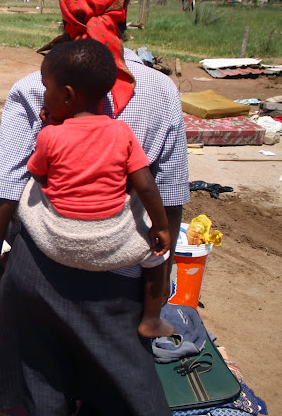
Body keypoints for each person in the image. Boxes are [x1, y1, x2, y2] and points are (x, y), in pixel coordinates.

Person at [0, 0, 189, 415]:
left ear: (64, 19)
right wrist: (157, 272)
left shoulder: (37, 87)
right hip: (120, 273)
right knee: (119, 392)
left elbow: (1, 192)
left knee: (37, 387)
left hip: (39, 268)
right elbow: (169, 198)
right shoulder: (162, 91)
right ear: (124, 18)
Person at [23, 38, 175, 339]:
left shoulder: (50, 136)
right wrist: (161, 227)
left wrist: (49, 130)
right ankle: (151, 320)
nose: (43, 94)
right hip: (114, 244)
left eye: (46, 87)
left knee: (27, 189)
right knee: (158, 255)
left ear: (67, 95)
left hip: (57, 242)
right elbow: (146, 185)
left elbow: (39, 177)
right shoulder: (122, 131)